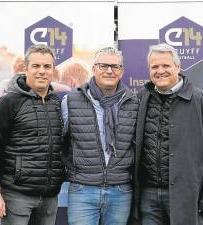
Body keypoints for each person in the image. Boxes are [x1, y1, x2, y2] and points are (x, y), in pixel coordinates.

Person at [130, 43, 203, 225]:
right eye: (154, 66)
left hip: (186, 196)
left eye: (166, 65)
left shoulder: (200, 100)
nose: (160, 71)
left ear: (178, 67)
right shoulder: (141, 98)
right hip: (147, 197)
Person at [0, 44, 65, 225]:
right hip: (17, 196)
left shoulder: (57, 103)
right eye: (36, 66)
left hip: (49, 197)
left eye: (47, 66)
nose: (42, 71)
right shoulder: (8, 102)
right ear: (26, 68)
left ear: (53, 70)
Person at [61, 47, 139, 225]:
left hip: (120, 190)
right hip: (83, 189)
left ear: (122, 71)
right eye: (103, 66)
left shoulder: (133, 102)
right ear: (94, 68)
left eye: (115, 66)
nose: (109, 71)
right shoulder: (71, 101)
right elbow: (59, 142)